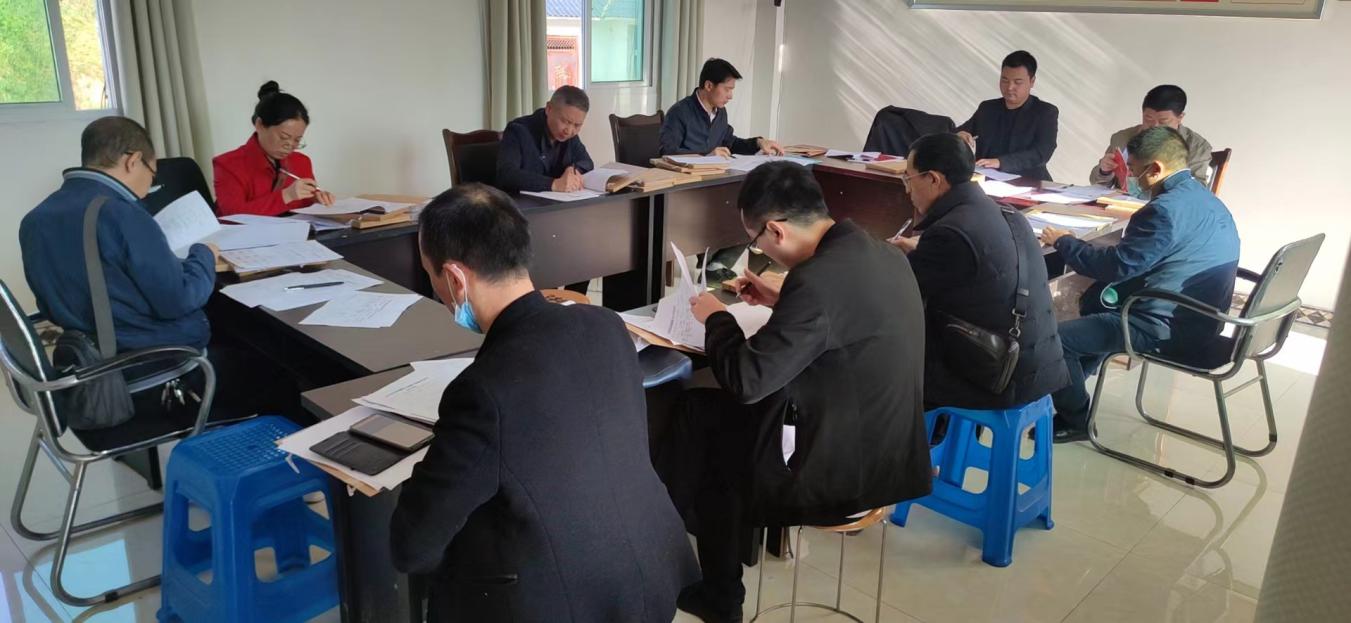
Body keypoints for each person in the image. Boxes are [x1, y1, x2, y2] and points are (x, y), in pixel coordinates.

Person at [389, 184, 697, 622]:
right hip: (652, 570)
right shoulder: (605, 325)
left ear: (455, 279)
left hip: (573, 605)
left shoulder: (482, 391)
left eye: (432, 277)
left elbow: (412, 547)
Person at [660, 162, 932, 621]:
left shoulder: (817, 281)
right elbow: (844, 318)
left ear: (776, 231)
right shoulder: (880, 252)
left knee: (698, 425)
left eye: (756, 242)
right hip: (890, 450)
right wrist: (780, 300)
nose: (760, 250)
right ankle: (708, 568)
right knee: (709, 419)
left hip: (847, 472)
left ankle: (716, 591)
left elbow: (747, 382)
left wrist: (716, 317)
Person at [19, 116, 296, 423]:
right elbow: (179, 299)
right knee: (286, 371)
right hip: (146, 374)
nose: (150, 185)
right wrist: (203, 255)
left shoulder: (36, 218)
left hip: (83, 370)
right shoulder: (121, 214)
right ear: (132, 161)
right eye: (152, 173)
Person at [1041, 127, 1240, 442]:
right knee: (1095, 304)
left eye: (1134, 171)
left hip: (1162, 327)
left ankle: (1075, 419)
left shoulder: (1162, 211)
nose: (1132, 179)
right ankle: (1067, 381)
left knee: (1053, 340)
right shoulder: (1207, 200)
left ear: (1155, 169)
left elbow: (1117, 266)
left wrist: (1065, 242)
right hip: (1205, 319)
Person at [891, 133, 1068, 411]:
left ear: (933, 179)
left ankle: (925, 436)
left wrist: (883, 259)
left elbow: (901, 293)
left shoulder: (949, 233)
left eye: (909, 178)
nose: (907, 190)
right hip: (1039, 366)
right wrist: (923, 249)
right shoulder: (1007, 213)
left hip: (999, 377)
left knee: (883, 356)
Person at [214, 81, 334, 217]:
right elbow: (232, 217)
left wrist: (317, 199)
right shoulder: (227, 165)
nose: (289, 146)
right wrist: (286, 196)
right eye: (284, 137)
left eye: (297, 140)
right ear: (260, 125)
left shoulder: (302, 162)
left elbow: (304, 207)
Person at [956, 51, 1059, 181]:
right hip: (986, 180)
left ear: (1032, 81)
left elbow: (1041, 152)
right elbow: (956, 133)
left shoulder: (1045, 112)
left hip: (1028, 182)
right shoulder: (987, 108)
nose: (1010, 87)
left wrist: (1000, 162)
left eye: (1017, 82)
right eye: (1005, 80)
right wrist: (959, 136)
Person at [1089, 84, 1214, 189]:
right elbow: (1098, 184)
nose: (1154, 126)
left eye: (1163, 121)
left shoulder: (1197, 147)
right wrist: (1104, 170)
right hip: (1120, 204)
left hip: (1165, 206)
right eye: (1148, 119)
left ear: (1180, 117)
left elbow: (1198, 189)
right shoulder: (1122, 138)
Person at [660, 58, 784, 157]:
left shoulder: (720, 111)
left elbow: (730, 143)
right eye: (727, 89)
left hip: (715, 176)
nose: (730, 96)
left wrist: (759, 143)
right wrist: (706, 157)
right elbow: (668, 152)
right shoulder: (679, 112)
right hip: (687, 179)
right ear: (709, 86)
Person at [496, 85, 596, 193]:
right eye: (565, 121)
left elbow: (587, 162)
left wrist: (573, 169)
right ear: (549, 109)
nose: (569, 130)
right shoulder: (518, 130)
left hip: (558, 201)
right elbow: (507, 174)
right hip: (520, 202)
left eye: (577, 125)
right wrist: (553, 184)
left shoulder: (570, 136)